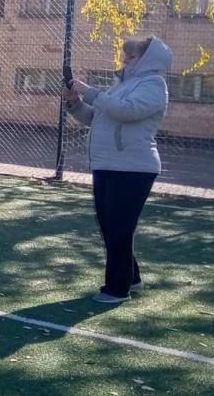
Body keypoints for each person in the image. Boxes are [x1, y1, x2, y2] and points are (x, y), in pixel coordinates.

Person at [64, 36, 171, 303]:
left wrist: (90, 92)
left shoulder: (154, 85)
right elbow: (94, 117)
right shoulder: (122, 84)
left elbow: (126, 111)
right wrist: (76, 102)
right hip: (108, 164)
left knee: (119, 226)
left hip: (133, 167)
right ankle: (131, 277)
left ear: (147, 59)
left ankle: (117, 288)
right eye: (125, 55)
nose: (125, 59)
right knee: (109, 225)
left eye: (131, 56)